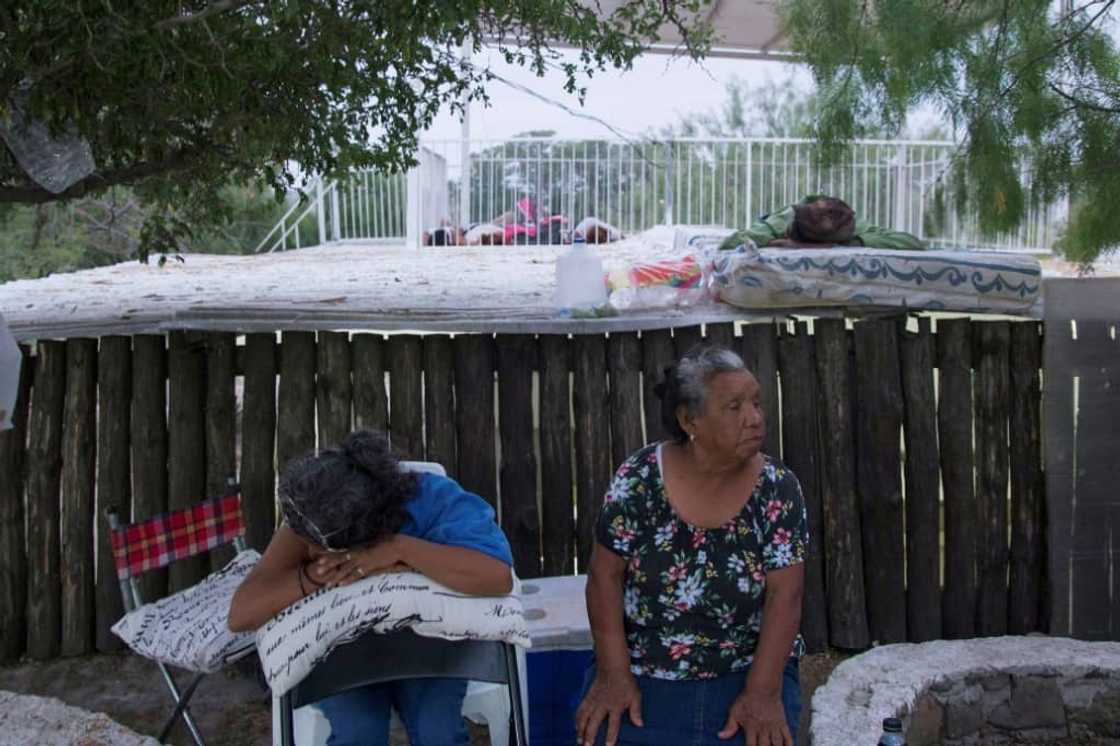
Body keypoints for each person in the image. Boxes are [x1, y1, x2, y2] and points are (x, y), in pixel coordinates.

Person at [575, 346, 808, 746]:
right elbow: (603, 576)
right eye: (734, 407)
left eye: (756, 403)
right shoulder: (640, 478)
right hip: (644, 667)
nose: (754, 418)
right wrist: (614, 675)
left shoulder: (777, 487)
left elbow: (785, 595)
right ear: (689, 420)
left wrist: (762, 694)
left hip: (747, 668)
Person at [227, 430, 514, 746]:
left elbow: (497, 576)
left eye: (319, 548)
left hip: (431, 646)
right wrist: (317, 575)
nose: (310, 550)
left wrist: (401, 550)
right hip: (344, 649)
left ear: (370, 531)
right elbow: (241, 614)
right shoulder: (314, 518)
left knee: (437, 730)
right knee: (359, 732)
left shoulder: (435, 499)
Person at [720, 194, 926, 250]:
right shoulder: (782, 220)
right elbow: (730, 243)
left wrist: (851, 243)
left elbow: (913, 243)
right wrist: (774, 241)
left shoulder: (852, 225)